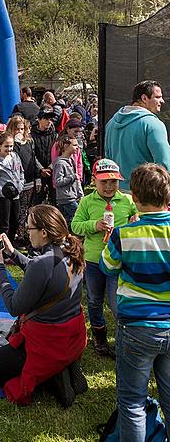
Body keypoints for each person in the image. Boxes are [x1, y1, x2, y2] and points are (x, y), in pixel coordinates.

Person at [0, 205, 87, 407]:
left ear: (44, 232)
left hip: (46, 342)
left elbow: (14, 306)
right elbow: (43, 272)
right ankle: (63, 366)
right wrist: (13, 253)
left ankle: (52, 375)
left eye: (29, 229)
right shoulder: (68, 249)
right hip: (71, 336)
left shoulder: (43, 263)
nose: (25, 233)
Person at [100, 163, 170, 442]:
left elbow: (107, 266)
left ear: (135, 199)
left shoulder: (125, 234)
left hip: (136, 328)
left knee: (132, 402)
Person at [71, 158, 137, 357]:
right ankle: (99, 338)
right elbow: (75, 225)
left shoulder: (127, 201)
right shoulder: (87, 201)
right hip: (93, 260)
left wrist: (136, 220)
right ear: (94, 181)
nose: (109, 186)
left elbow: (137, 219)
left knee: (117, 303)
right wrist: (93, 225)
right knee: (94, 299)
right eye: (104, 182)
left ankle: (122, 340)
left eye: (113, 182)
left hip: (118, 261)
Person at [105, 80, 170, 191]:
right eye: (158, 97)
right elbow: (164, 165)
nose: (162, 101)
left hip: (117, 193)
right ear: (144, 98)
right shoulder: (153, 124)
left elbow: (108, 159)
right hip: (145, 195)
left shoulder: (111, 123)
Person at [6, 115, 42, 247]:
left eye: (21, 129)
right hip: (17, 182)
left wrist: (38, 178)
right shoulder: (11, 145)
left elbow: (33, 160)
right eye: (17, 129)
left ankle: (24, 234)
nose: (20, 132)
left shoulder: (29, 142)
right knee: (18, 210)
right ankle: (19, 235)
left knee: (26, 209)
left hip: (30, 180)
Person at [0, 132, 24, 243]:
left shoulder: (15, 156)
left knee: (15, 221)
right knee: (5, 224)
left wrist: (20, 186)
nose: (9, 148)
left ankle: (11, 245)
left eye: (11, 146)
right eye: (6, 146)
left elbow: (21, 172)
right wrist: (1, 191)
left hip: (16, 194)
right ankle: (3, 247)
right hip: (3, 197)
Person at [52, 132, 83, 229]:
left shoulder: (71, 160)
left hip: (72, 197)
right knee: (75, 220)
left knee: (68, 221)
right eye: (74, 145)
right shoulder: (61, 163)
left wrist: (79, 193)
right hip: (66, 198)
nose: (77, 147)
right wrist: (72, 177)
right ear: (66, 146)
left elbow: (76, 180)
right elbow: (58, 181)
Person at [31, 108, 57, 204]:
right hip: (37, 173)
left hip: (52, 171)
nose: (49, 121)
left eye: (50, 119)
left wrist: (51, 167)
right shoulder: (32, 136)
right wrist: (40, 169)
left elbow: (57, 153)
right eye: (46, 119)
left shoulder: (54, 135)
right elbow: (31, 154)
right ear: (39, 120)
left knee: (54, 199)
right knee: (37, 199)